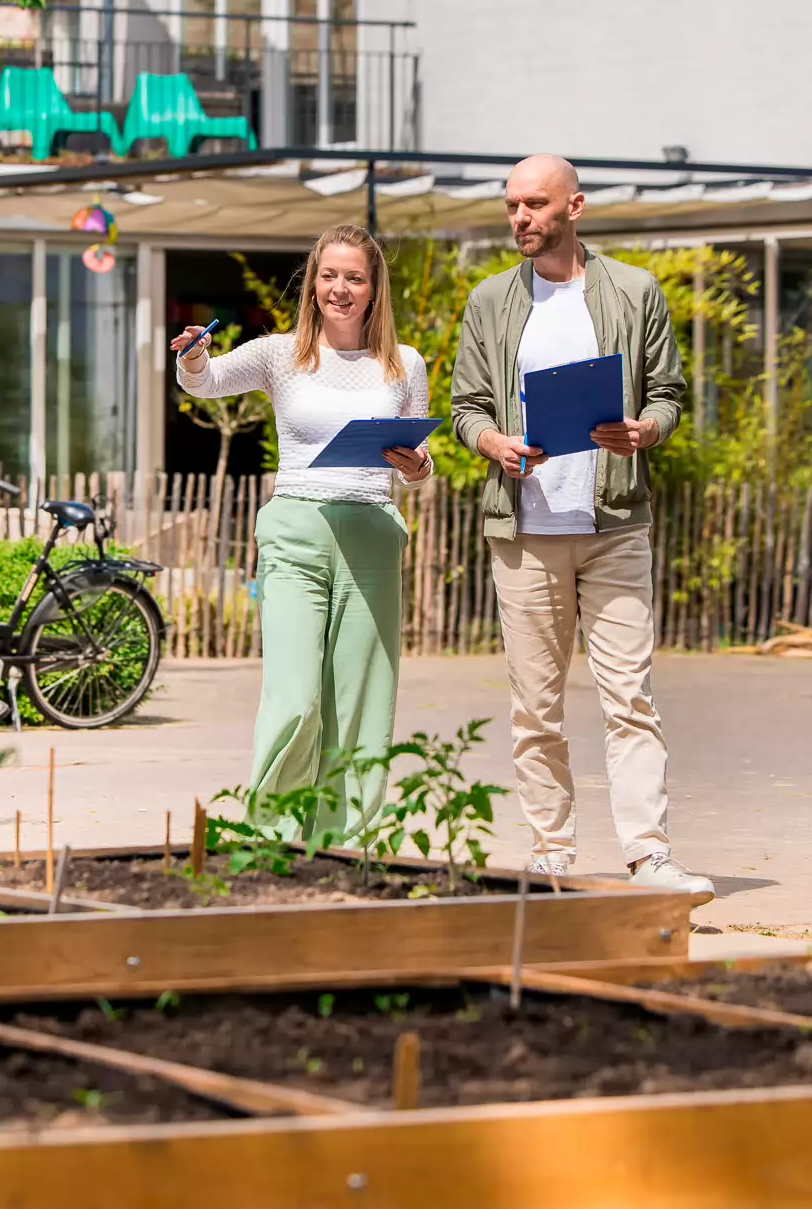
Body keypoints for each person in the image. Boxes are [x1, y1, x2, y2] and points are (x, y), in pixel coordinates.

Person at [449, 154, 712, 895]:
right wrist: (492, 443)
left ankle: (649, 853)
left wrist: (647, 432)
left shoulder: (634, 290)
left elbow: (668, 393)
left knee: (630, 696)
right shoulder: (490, 300)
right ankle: (551, 853)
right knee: (536, 705)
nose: (520, 218)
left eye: (534, 204)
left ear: (575, 206)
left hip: (616, 523)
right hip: (526, 528)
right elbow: (468, 407)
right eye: (511, 206)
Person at [172, 222, 433, 838]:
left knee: (361, 706)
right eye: (329, 275)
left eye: (355, 278)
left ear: (374, 289)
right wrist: (193, 354)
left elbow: (421, 465)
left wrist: (417, 465)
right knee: (295, 700)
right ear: (314, 281)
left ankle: (351, 846)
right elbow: (205, 382)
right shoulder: (279, 353)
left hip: (371, 532)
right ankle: (273, 840)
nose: (340, 288)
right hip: (295, 533)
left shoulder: (405, 364)